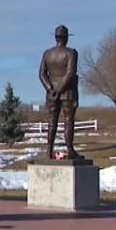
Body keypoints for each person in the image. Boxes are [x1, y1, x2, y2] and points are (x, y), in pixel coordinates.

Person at [38, 24, 80, 160]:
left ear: (56, 38)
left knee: (52, 122)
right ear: (66, 38)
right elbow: (70, 73)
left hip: (51, 93)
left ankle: (49, 150)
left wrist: (51, 89)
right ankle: (70, 149)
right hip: (67, 91)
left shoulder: (47, 54)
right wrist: (60, 89)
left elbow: (42, 74)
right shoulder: (71, 53)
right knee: (68, 121)